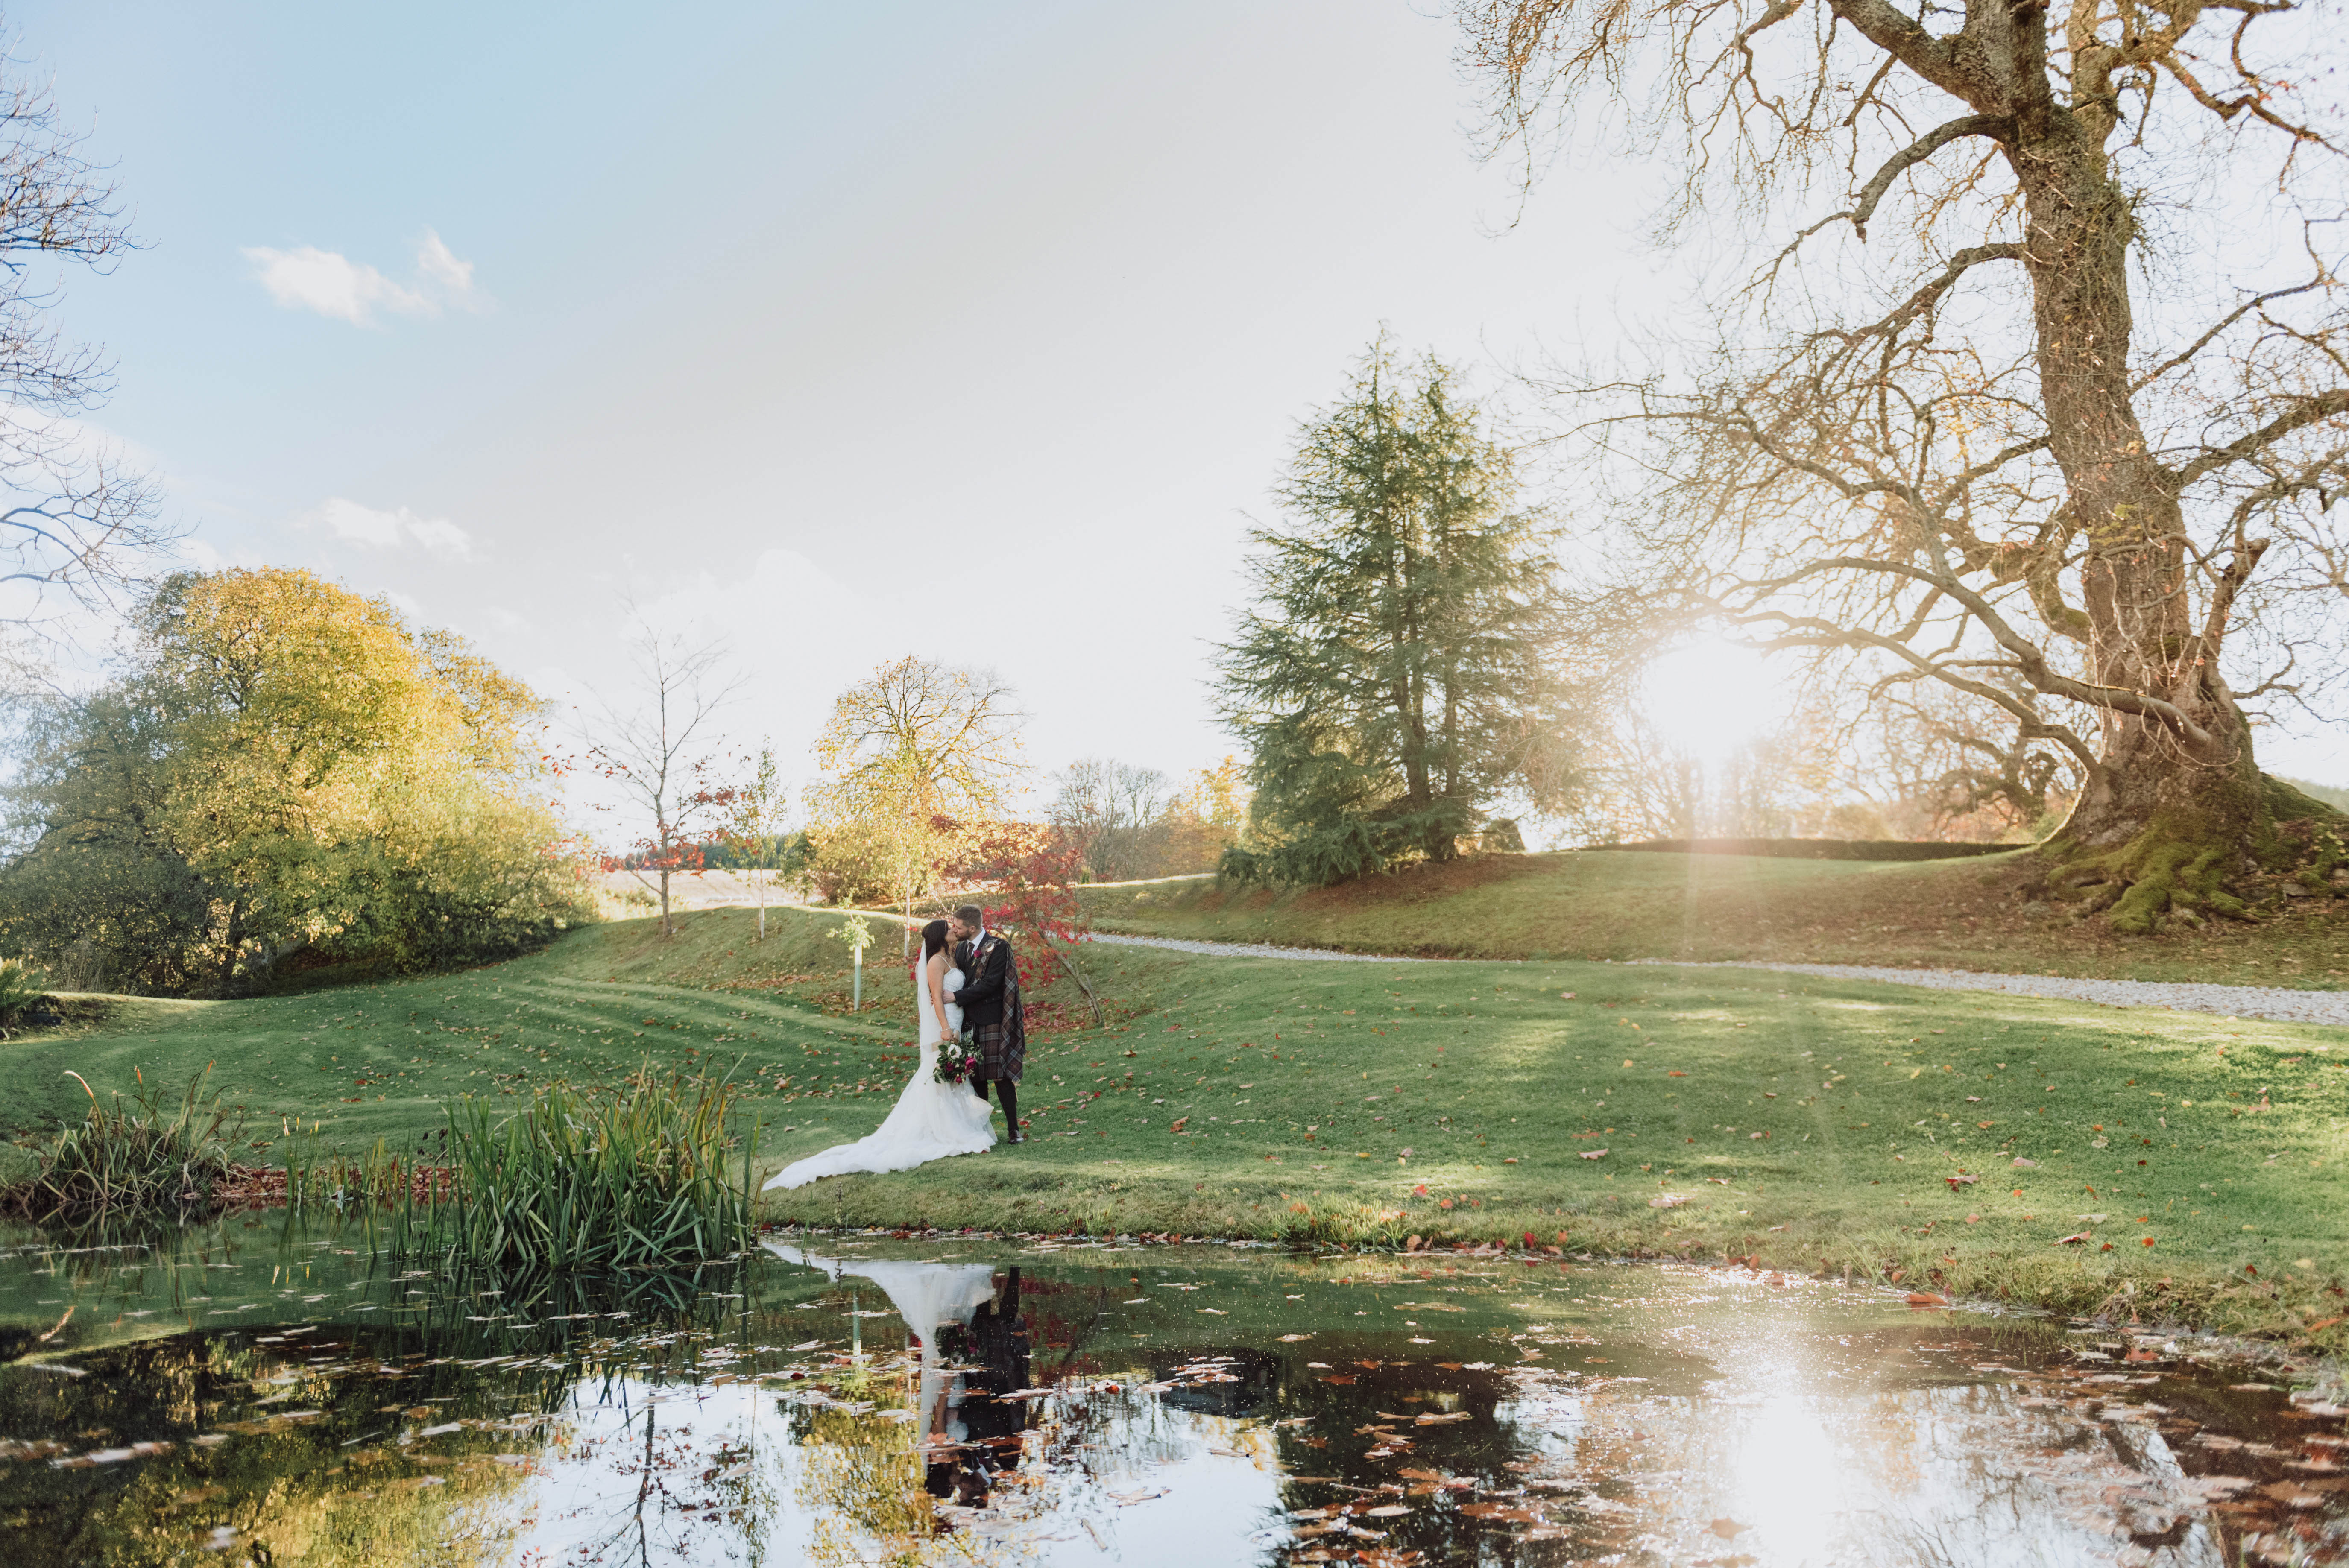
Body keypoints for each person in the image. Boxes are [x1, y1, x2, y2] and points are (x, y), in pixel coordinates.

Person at [761, 918, 994, 1189]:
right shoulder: (934, 963)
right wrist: (945, 1029)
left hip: (956, 1022)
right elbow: (935, 997)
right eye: (949, 928)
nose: (955, 930)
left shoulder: (952, 958)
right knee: (939, 1077)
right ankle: (948, 1133)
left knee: (949, 1078)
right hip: (944, 1027)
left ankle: (956, 1128)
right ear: (940, 937)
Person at [945, 904, 1026, 1145]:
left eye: (958, 927)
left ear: (972, 928)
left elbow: (991, 984)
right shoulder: (960, 950)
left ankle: (1014, 1130)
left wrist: (956, 997)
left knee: (1000, 1076)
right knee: (975, 1076)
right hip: (968, 1020)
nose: (955, 930)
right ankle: (982, 1130)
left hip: (992, 1020)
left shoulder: (998, 947)